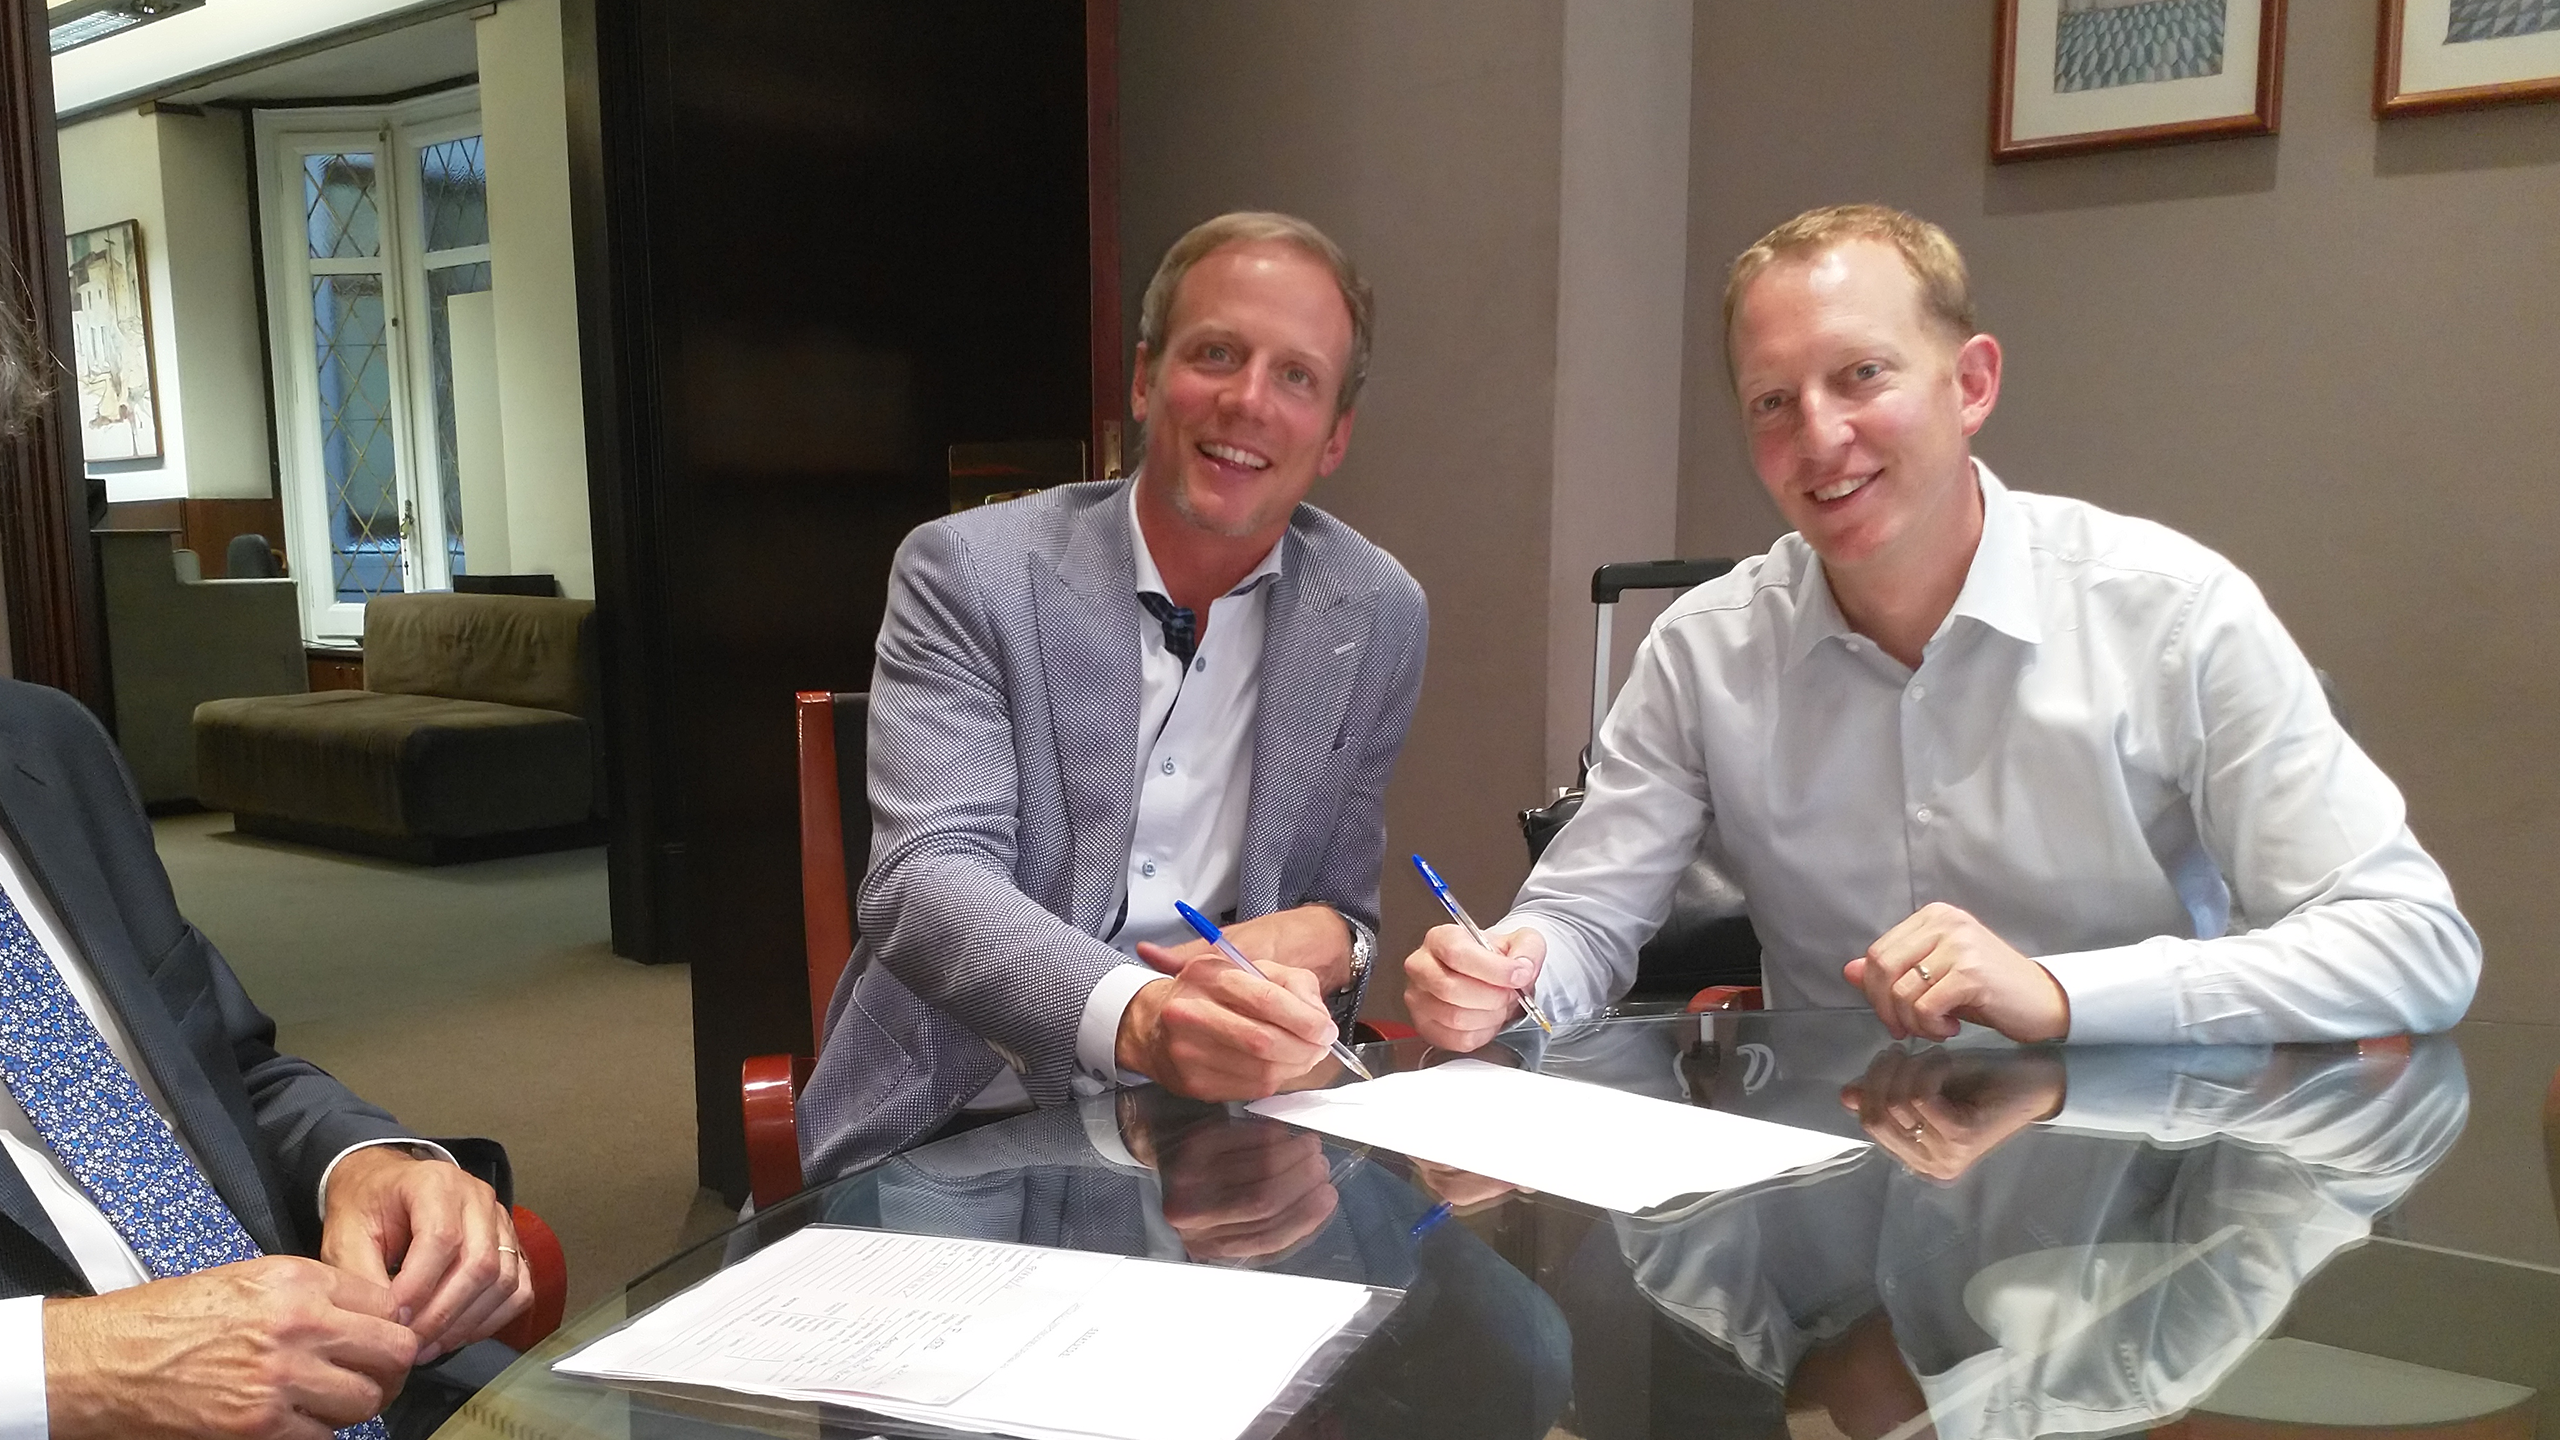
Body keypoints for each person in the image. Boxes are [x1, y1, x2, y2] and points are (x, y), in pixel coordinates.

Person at [1404, 203, 2479, 1051]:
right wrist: (1504, 973)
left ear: (1970, 385)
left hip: (2117, 1211)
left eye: (1861, 375)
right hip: (1819, 1210)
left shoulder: (2169, 612)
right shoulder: (1705, 649)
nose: (1819, 436)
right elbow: (1588, 919)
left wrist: (2058, 991)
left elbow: (2414, 944)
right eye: (1770, 401)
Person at [798, 211, 1429, 1181]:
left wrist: (1335, 939)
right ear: (1144, 378)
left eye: (1296, 376)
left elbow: (1341, 907)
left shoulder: (1378, 611)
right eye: (1215, 352)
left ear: (1335, 433)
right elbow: (924, 880)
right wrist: (1139, 1017)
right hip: (959, 1127)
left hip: (1229, 1131)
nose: (1248, 401)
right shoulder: (969, 571)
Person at [0, 286, 527, 1439]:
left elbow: (229, 1075)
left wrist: (366, 1164)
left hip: (358, 1391)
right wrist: (59, 1367)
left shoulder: (46, 747)